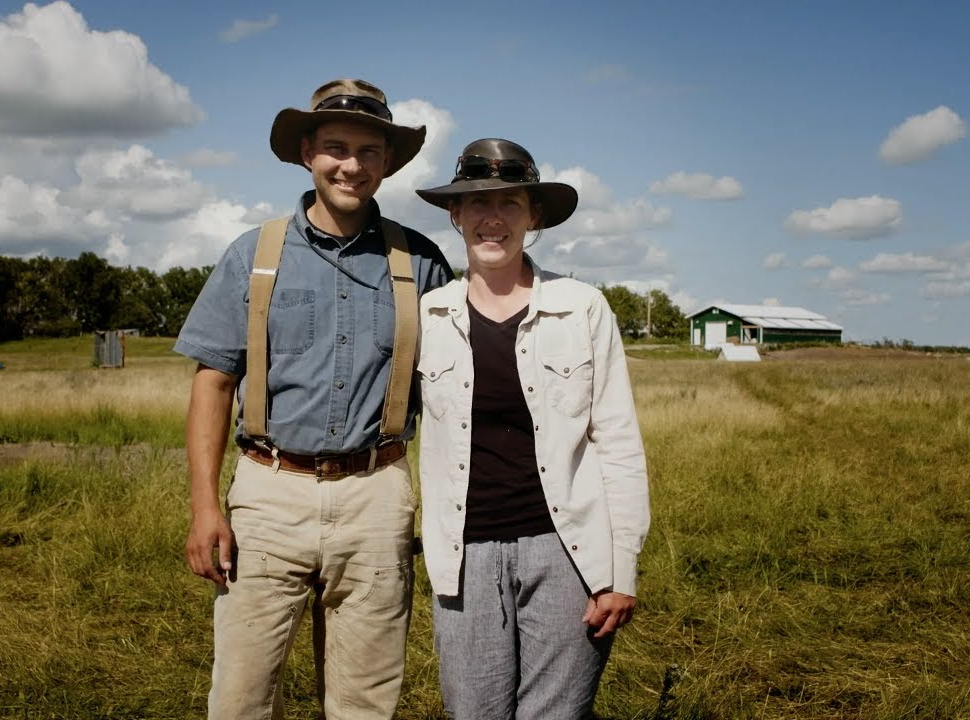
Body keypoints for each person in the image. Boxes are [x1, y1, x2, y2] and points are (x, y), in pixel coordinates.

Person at [174, 79, 453, 720]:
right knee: (242, 697)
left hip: (377, 494)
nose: (350, 165)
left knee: (365, 701)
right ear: (307, 153)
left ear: (387, 162)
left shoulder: (424, 263)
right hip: (268, 492)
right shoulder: (253, 255)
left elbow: (456, 389)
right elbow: (213, 383)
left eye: (368, 151)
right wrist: (203, 509)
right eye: (335, 147)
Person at [414, 138, 651, 720]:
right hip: (462, 555)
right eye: (476, 203)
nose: (492, 218)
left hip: (567, 552)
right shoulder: (426, 314)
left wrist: (620, 571)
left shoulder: (583, 307)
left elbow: (617, 440)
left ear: (534, 216)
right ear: (454, 214)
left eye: (510, 204)